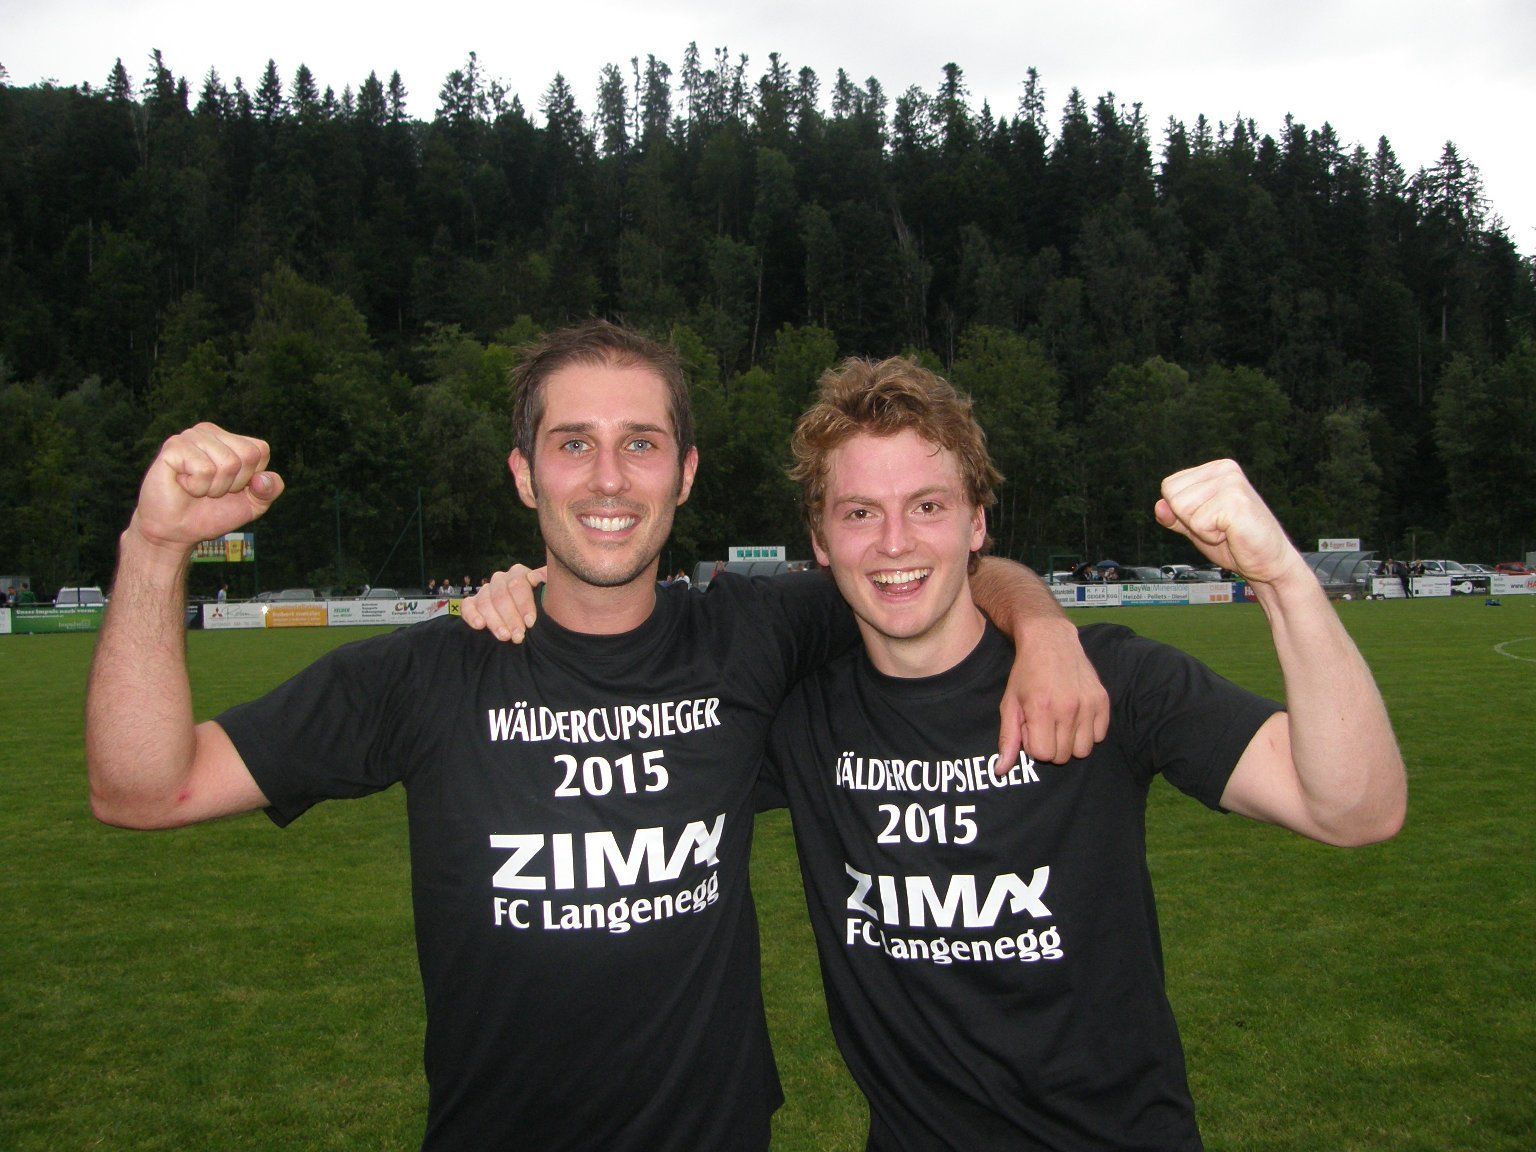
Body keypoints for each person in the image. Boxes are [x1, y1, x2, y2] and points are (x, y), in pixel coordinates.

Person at [85, 321, 1107, 1152]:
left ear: (685, 473)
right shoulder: (430, 673)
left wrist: (1045, 629)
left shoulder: (755, 635)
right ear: (525, 474)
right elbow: (142, 789)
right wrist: (156, 544)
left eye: (641, 444)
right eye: (573, 444)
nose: (609, 478)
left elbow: (934, 569)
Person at [736, 357, 1404, 1151]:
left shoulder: (1109, 679)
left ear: (976, 524)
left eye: (927, 505)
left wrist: (1281, 577)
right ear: (820, 539)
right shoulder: (797, 718)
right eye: (858, 513)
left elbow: (1356, 809)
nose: (894, 542)